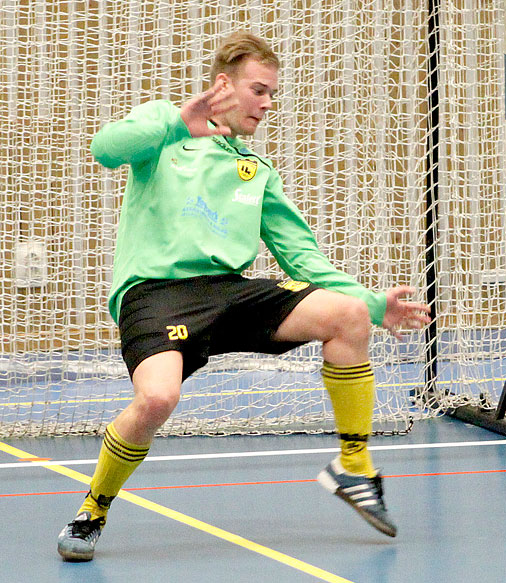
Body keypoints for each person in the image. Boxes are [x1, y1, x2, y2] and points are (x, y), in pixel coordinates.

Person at [57, 31, 430, 561]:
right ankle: (93, 508)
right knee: (157, 400)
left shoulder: (256, 171)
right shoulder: (165, 131)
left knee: (345, 316)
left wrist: (373, 303)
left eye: (272, 93)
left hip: (231, 294)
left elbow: (304, 259)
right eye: (259, 90)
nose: (268, 104)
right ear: (223, 85)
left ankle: (354, 466)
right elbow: (104, 149)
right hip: (157, 296)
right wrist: (173, 122)